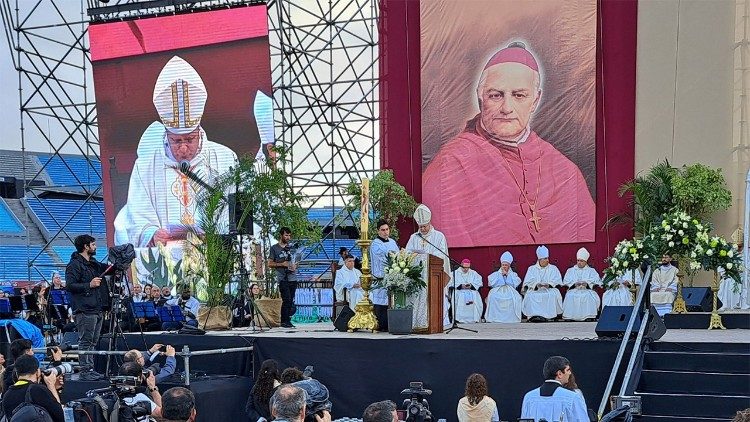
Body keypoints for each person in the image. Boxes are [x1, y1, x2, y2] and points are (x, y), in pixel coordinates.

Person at [422, 42, 595, 248]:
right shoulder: (451, 164)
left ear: (536, 100)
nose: (506, 108)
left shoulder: (565, 171)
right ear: (480, 97)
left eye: (519, 95)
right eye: (495, 95)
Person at [113, 55, 237, 248]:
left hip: (214, 254)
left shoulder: (225, 158)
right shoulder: (146, 165)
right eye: (176, 141)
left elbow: (239, 212)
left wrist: (217, 232)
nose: (183, 148)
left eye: (189, 139)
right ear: (167, 135)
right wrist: (152, 234)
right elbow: (136, 215)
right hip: (166, 260)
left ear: (199, 132)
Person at [65, 234, 110, 380]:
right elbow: (70, 285)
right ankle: (85, 370)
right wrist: (88, 285)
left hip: (97, 308)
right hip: (85, 310)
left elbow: (108, 269)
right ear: (86, 246)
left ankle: (90, 369)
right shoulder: (74, 264)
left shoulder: (93, 263)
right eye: (93, 244)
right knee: (86, 341)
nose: (95, 247)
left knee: (93, 341)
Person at [405, 204, 452, 330]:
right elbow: (407, 253)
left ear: (429, 222)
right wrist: (415, 255)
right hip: (418, 277)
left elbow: (441, 255)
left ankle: (436, 322)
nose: (423, 229)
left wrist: (426, 255)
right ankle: (417, 323)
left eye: (424, 226)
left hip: (433, 276)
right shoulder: (414, 237)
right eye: (420, 227)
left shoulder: (439, 236)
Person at [520, 356, 588, 421]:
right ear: (559, 374)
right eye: (568, 370)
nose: (570, 373)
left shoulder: (529, 397)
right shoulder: (573, 397)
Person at [1, 355, 64, 422]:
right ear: (37, 372)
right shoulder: (38, 390)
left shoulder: (7, 395)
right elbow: (60, 415)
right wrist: (51, 386)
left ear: (16, 373)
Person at [369, 220, 400, 331]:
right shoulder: (375, 244)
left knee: (390, 302)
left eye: (387, 229)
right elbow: (385, 257)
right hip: (380, 277)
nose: (385, 232)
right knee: (380, 302)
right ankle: (381, 325)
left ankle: (390, 324)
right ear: (378, 231)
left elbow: (397, 255)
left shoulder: (392, 241)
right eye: (383, 230)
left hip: (392, 276)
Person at [522, 246, 563, 322]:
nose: (547, 260)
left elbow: (557, 281)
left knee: (551, 295)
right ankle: (533, 316)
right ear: (539, 260)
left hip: (549, 289)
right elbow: (527, 283)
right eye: (545, 259)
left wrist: (549, 284)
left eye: (547, 258)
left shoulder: (553, 268)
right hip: (535, 290)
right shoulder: (531, 269)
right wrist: (536, 285)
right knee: (530, 296)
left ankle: (549, 317)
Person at [268, 227, 298, 328]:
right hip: (282, 278)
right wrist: (282, 264)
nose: (288, 237)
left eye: (289, 235)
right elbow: (270, 264)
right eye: (286, 235)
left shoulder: (292, 247)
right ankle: (284, 321)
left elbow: (296, 260)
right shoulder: (274, 248)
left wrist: (295, 265)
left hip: (293, 277)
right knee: (287, 299)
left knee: (291, 300)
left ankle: (287, 320)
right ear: (281, 235)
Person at [562, 248, 601, 321]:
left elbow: (597, 281)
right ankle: (570, 316)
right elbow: (566, 281)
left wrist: (587, 284)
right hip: (574, 290)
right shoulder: (570, 270)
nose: (579, 262)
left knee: (588, 296)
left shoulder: (591, 271)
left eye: (581, 261)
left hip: (587, 290)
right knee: (570, 295)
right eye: (578, 260)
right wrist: (574, 284)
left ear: (586, 262)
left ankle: (589, 316)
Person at [485, 251, 523, 323]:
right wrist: (501, 276)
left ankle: (511, 318)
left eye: (506, 265)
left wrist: (507, 275)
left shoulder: (513, 274)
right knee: (492, 297)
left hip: (510, 290)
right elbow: (491, 283)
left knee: (516, 298)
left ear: (509, 266)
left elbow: (516, 283)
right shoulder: (496, 274)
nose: (504, 266)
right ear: (501, 265)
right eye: (503, 265)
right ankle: (494, 318)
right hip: (498, 289)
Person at [447, 259, 483, 323]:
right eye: (464, 267)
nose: (466, 269)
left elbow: (479, 282)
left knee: (475, 296)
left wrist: (471, 285)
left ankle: (473, 319)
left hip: (471, 291)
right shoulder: (454, 273)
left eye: (468, 267)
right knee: (460, 296)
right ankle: (459, 319)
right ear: (461, 265)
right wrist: (460, 286)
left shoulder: (473, 273)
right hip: (459, 291)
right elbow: (449, 283)